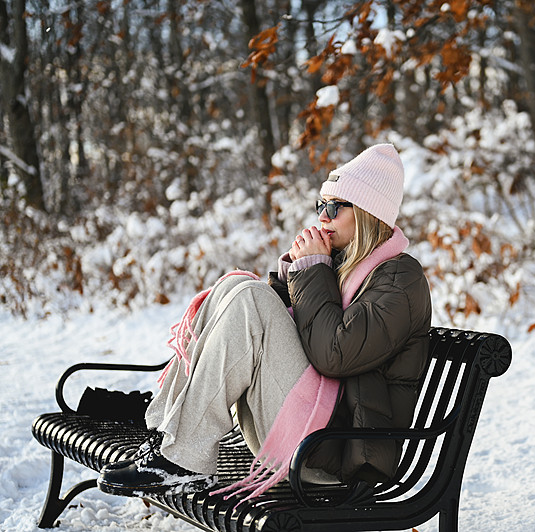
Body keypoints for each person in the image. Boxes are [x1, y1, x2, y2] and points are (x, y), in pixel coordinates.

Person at [97, 143, 432, 501]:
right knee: (238, 286)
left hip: (339, 452)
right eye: (320, 206)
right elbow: (284, 329)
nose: (323, 217)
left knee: (251, 298)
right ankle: (169, 434)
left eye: (334, 207)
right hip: (312, 427)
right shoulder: (342, 264)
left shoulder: (399, 278)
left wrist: (312, 273)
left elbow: (334, 355)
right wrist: (294, 275)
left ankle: (183, 457)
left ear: (367, 212)